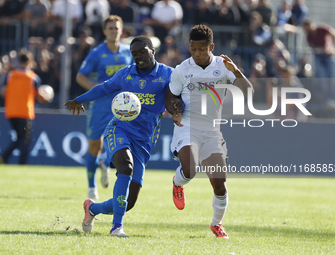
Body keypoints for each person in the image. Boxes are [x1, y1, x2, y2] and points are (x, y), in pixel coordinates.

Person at [64, 35, 173, 237]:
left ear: (152, 51)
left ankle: (92, 209)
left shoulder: (168, 74)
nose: (138, 56)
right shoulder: (126, 74)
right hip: (119, 129)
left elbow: (180, 98)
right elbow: (103, 88)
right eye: (134, 54)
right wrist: (79, 99)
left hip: (144, 139)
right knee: (125, 166)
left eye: (142, 52)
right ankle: (117, 227)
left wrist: (179, 109)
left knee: (128, 202)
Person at [165, 24, 253, 239]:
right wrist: (174, 112)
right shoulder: (182, 70)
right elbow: (170, 96)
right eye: (194, 49)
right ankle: (178, 183)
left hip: (212, 131)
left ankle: (216, 224)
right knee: (190, 169)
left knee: (219, 183)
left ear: (211, 46)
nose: (197, 54)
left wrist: (236, 71)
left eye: (202, 49)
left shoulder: (223, 67)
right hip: (187, 128)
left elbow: (247, 91)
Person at [76, 15, 134, 200]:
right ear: (104, 31)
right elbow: (80, 77)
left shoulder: (128, 52)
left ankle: (105, 163)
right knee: (94, 145)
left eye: (116, 28)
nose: (113, 31)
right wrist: (96, 89)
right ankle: (92, 186)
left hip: (123, 106)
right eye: (110, 28)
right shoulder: (96, 53)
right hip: (100, 106)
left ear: (121, 30)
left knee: (122, 143)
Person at [0, 51, 49, 164]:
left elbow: (3, 92)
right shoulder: (33, 78)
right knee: (25, 140)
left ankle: (4, 157)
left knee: (19, 138)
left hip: (11, 111)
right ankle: (21, 163)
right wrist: (46, 98)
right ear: (29, 62)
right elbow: (40, 97)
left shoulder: (11, 75)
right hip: (25, 112)